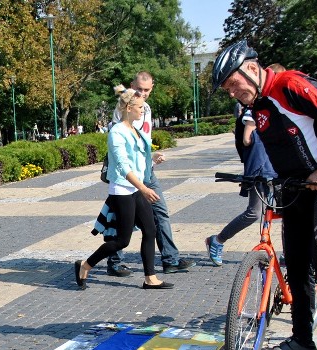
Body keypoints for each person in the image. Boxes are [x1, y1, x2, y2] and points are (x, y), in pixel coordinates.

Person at [212, 41, 317, 350]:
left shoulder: (290, 85)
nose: (233, 93)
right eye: (227, 90)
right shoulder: (259, 106)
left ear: (251, 68)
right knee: (295, 266)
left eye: (233, 85)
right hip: (293, 189)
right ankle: (302, 340)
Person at [77, 86, 172, 290]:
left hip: (135, 188)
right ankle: (85, 265)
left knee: (150, 230)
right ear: (128, 108)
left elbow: (136, 158)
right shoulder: (117, 132)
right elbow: (122, 165)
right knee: (122, 241)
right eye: (140, 107)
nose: (142, 111)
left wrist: (152, 158)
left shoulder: (135, 130)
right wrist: (144, 189)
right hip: (122, 190)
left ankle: (150, 278)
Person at [104, 71, 196, 277]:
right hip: (129, 177)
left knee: (160, 213)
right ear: (131, 85)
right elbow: (122, 145)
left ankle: (170, 260)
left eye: (146, 90)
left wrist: (151, 156)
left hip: (147, 172)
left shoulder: (146, 109)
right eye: (138, 89)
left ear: (152, 88)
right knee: (122, 220)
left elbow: (140, 141)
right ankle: (114, 262)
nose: (142, 93)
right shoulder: (124, 108)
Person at [205, 107, 277, 265]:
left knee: (288, 213)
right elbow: (247, 139)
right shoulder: (254, 111)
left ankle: (290, 253)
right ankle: (217, 240)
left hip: (279, 170)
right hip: (259, 170)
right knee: (254, 213)